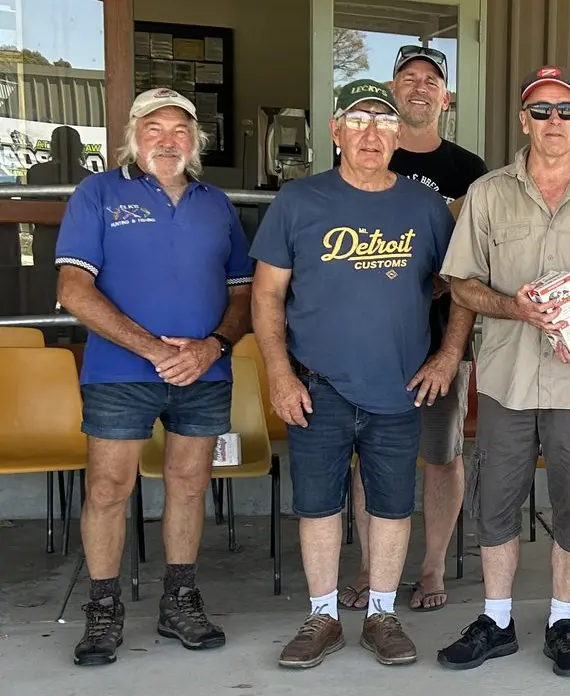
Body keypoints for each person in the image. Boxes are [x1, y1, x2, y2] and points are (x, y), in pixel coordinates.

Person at [435, 65, 570, 678]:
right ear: (523, 120)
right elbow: (460, 282)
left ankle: (561, 620)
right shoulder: (487, 193)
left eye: (565, 111)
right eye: (541, 110)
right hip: (507, 377)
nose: (553, 122)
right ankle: (496, 620)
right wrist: (513, 307)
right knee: (495, 501)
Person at [250, 79, 458, 669]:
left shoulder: (423, 206)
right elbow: (266, 296)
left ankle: (381, 615)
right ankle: (321, 617)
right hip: (315, 385)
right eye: (359, 120)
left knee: (392, 504)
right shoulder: (298, 200)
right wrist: (278, 374)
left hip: (398, 385)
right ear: (336, 132)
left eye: (384, 123)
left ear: (400, 135)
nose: (372, 133)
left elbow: (460, 286)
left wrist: (444, 357)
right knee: (317, 503)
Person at [55, 88, 252, 666]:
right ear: (132, 134)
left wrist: (213, 347)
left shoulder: (217, 204)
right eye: (155, 128)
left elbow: (242, 294)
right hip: (120, 372)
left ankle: (180, 603)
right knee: (108, 489)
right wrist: (154, 350)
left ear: (196, 142)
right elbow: (73, 290)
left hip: (205, 373)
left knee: (189, 485)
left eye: (181, 130)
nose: (168, 140)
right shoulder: (98, 193)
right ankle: (103, 610)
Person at [338, 44, 486, 615]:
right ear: (392, 92)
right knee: (367, 457)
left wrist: (433, 291)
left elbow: (473, 264)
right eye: (408, 78)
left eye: (431, 79)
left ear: (445, 98)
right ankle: (374, 568)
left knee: (442, 456)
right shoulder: (367, 158)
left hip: (441, 340)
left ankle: (429, 570)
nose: (419, 86)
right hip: (370, 345)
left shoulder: (470, 171)